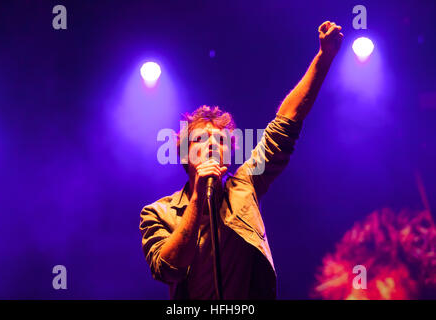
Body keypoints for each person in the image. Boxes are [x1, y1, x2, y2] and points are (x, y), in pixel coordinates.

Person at [140, 21, 344, 299]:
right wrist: (199, 199)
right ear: (185, 155)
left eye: (221, 140)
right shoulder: (157, 213)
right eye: (201, 139)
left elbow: (286, 122)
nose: (212, 143)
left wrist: (325, 56)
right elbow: (167, 269)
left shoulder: (245, 186)